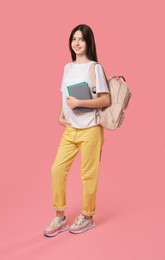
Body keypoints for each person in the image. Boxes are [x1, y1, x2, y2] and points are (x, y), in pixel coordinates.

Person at [44, 24, 111, 237]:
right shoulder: (67, 67)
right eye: (74, 39)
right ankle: (60, 217)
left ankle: (88, 217)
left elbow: (105, 99)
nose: (77, 43)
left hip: (90, 129)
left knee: (88, 175)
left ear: (88, 42)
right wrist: (61, 114)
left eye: (81, 39)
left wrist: (79, 102)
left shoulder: (95, 68)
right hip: (70, 130)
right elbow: (65, 95)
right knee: (57, 169)